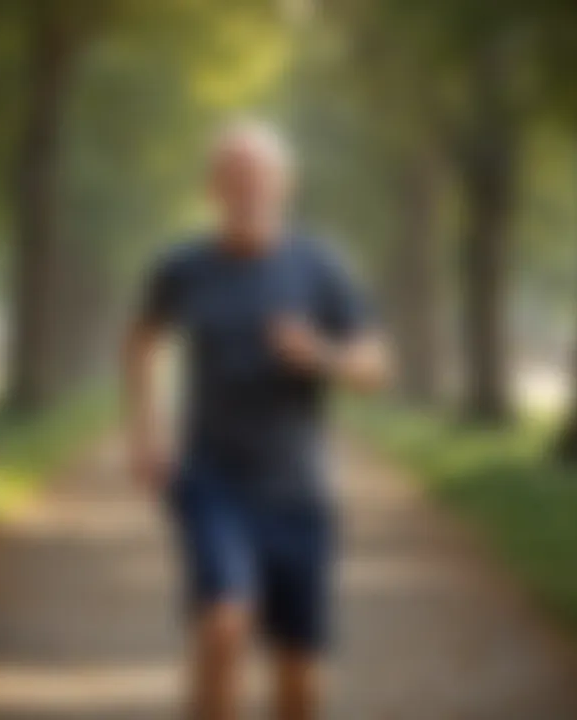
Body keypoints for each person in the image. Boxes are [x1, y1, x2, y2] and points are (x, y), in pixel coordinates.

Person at [123, 119, 389, 719]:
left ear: (285, 185)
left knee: (299, 674)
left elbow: (376, 368)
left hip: (299, 491)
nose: (246, 188)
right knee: (223, 625)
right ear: (211, 188)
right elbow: (141, 341)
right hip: (210, 478)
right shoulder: (181, 267)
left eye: (259, 176)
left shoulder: (321, 268)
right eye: (232, 176)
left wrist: (319, 354)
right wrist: (146, 430)